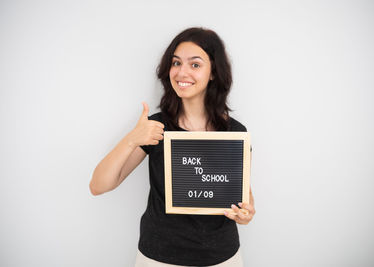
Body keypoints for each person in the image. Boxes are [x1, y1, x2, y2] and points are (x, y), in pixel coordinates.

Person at [89, 27, 255, 267]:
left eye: (195, 65)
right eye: (176, 63)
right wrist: (133, 138)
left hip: (221, 258)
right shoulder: (156, 128)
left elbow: (244, 200)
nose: (181, 72)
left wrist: (246, 215)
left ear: (213, 73)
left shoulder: (235, 133)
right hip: (158, 258)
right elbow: (99, 185)